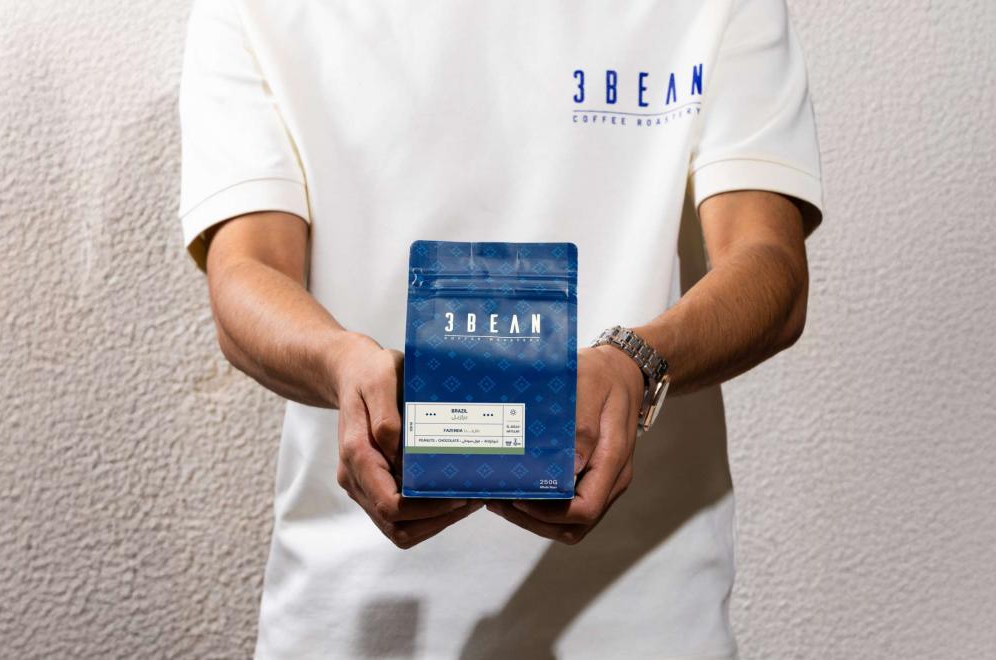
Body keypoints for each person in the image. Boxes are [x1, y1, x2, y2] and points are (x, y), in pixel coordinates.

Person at [178, 0, 823, 657]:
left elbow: (770, 263)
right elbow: (246, 270)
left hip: (646, 615)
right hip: (354, 613)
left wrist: (638, 361)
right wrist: (338, 362)